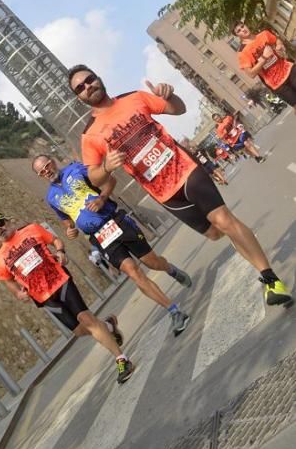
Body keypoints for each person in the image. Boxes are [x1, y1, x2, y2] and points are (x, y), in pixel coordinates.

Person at [67, 65, 293, 308]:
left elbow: (178, 108)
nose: (87, 86)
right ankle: (249, 248)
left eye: (89, 79)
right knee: (215, 232)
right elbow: (95, 177)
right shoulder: (89, 135)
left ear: (98, 77)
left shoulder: (134, 98)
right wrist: (107, 167)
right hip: (163, 192)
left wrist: (169, 95)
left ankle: (271, 280)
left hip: (185, 169)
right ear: (79, 97)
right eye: (80, 88)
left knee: (224, 220)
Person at [32, 155, 191, 336]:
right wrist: (70, 230)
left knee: (152, 262)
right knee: (134, 273)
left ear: (53, 161)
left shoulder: (77, 169)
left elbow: (110, 180)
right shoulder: (51, 197)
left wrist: (102, 199)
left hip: (116, 221)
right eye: (41, 171)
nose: (47, 171)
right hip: (99, 238)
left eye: (47, 166)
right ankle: (174, 311)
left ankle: (170, 269)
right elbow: (66, 219)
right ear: (40, 176)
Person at [0, 212, 134, 384]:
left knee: (85, 318)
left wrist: (60, 252)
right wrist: (18, 293)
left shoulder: (31, 229)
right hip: (43, 297)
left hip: (60, 280)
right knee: (79, 331)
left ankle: (122, 360)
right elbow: (7, 280)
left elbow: (55, 240)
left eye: (0, 223)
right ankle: (108, 327)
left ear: (8, 221)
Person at [232, 22, 296, 112]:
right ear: (237, 35)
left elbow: (277, 40)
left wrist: (279, 46)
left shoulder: (264, 34)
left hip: (288, 68)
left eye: (242, 26)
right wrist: (264, 58)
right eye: (239, 31)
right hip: (276, 83)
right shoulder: (243, 53)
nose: (243, 30)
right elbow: (251, 74)